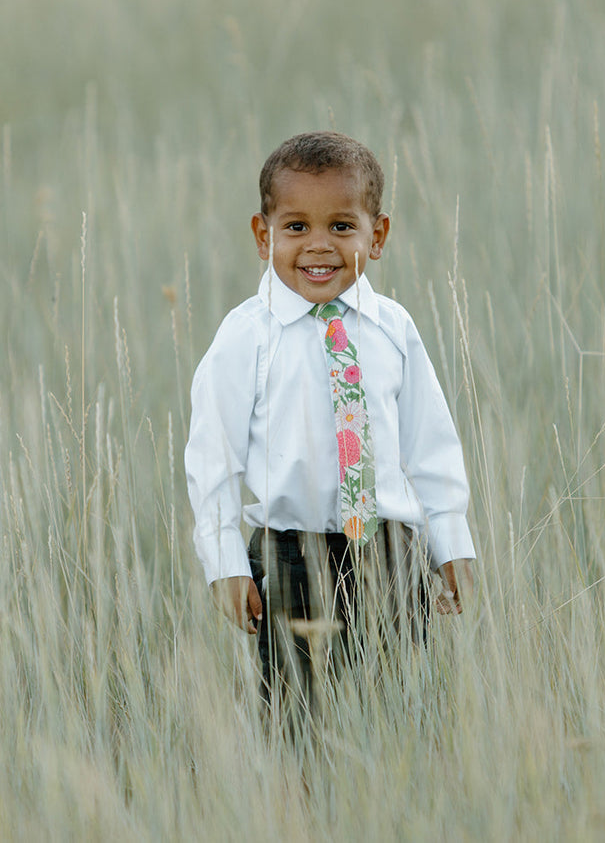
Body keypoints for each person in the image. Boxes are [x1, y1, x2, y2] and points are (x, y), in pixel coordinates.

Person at [185, 130, 476, 723]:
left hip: (391, 554)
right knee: (297, 717)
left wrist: (451, 541)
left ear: (378, 234)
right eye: (296, 228)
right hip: (290, 555)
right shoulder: (246, 337)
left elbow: (430, 446)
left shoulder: (393, 328)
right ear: (262, 235)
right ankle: (301, 810)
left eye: (342, 226)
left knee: (397, 710)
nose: (319, 246)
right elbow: (213, 458)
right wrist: (224, 562)